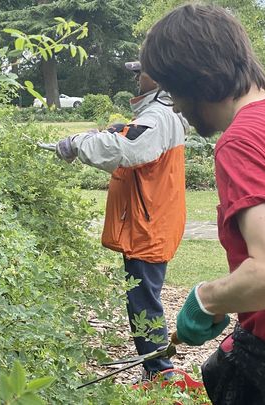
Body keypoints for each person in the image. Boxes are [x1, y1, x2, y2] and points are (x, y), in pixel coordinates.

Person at [140, 4, 265, 404]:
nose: (174, 105)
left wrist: (206, 298)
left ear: (196, 79)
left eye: (172, 90)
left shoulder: (241, 141)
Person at [52, 63, 189, 380]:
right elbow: (134, 146)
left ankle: (160, 372)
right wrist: (123, 129)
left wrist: (78, 142)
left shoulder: (158, 116)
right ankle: (155, 365)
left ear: (156, 76)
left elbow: (127, 151)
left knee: (144, 304)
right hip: (150, 220)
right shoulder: (162, 112)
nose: (135, 78)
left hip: (148, 224)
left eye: (140, 72)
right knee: (144, 299)